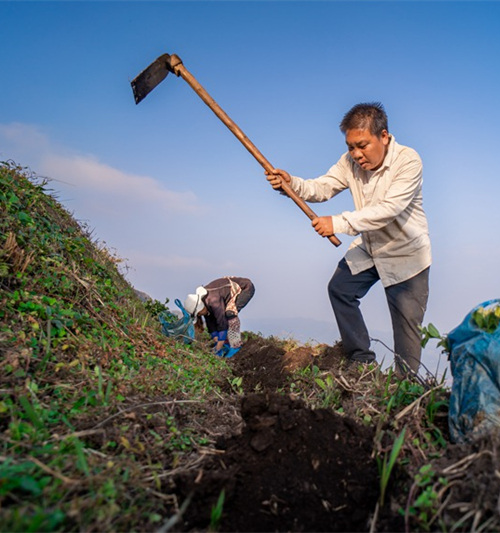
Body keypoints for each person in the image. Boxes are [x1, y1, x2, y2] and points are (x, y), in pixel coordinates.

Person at [265, 102, 431, 376]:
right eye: (350, 146)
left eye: (362, 145)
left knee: (407, 334)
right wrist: (290, 183)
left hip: (407, 255)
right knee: (340, 289)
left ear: (384, 136)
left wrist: (337, 222)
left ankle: (406, 390)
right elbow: (321, 186)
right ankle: (361, 360)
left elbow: (387, 211)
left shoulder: (408, 161)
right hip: (371, 247)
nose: (356, 154)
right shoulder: (349, 162)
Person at [183, 277, 255, 358]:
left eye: (199, 313)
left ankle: (236, 346)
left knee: (230, 313)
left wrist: (219, 346)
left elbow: (222, 322)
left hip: (245, 288)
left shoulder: (213, 300)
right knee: (216, 316)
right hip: (227, 291)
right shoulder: (205, 302)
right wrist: (215, 337)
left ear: (200, 307)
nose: (200, 315)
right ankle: (227, 343)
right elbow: (209, 320)